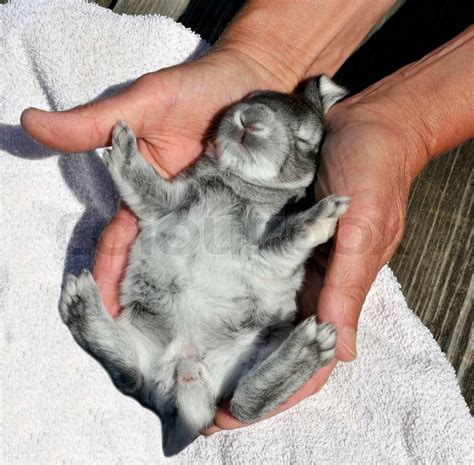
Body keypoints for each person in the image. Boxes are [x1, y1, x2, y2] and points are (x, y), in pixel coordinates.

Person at [20, 1, 473, 435]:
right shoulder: (205, 176)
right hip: (159, 314)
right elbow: (161, 205)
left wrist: (399, 133)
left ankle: (243, 393)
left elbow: (273, 259)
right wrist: (130, 168)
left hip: (230, 337)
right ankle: (126, 354)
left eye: (300, 138)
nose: (250, 119)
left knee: (228, 374)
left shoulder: (283, 204)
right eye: (252, 101)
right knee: (142, 351)